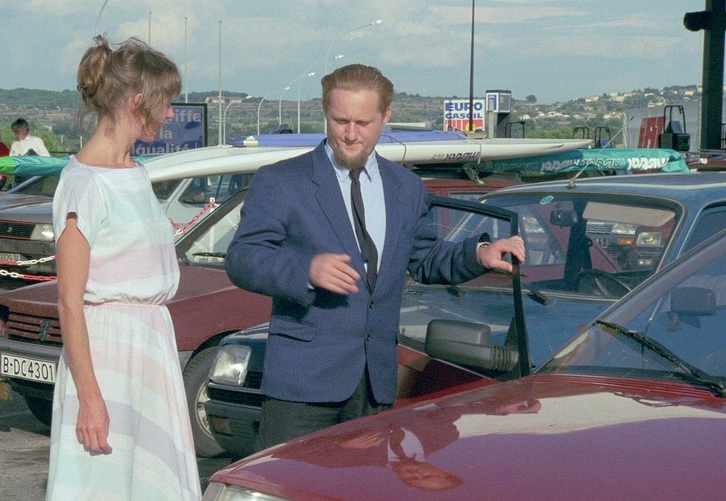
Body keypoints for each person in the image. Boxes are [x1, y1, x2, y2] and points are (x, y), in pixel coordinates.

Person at [225, 63, 525, 448]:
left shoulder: (406, 187)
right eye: (340, 121)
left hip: (373, 387)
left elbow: (424, 259)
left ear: (386, 116)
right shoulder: (281, 181)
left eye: (363, 123)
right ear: (325, 112)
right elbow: (243, 258)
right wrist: (305, 269)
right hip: (301, 390)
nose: (350, 134)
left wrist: (479, 254)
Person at [45, 35, 200, 500]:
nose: (169, 114)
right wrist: (91, 398)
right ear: (137, 101)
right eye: (165, 102)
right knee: (104, 484)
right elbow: (69, 303)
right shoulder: (83, 185)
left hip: (150, 347)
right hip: (108, 356)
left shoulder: (136, 173)